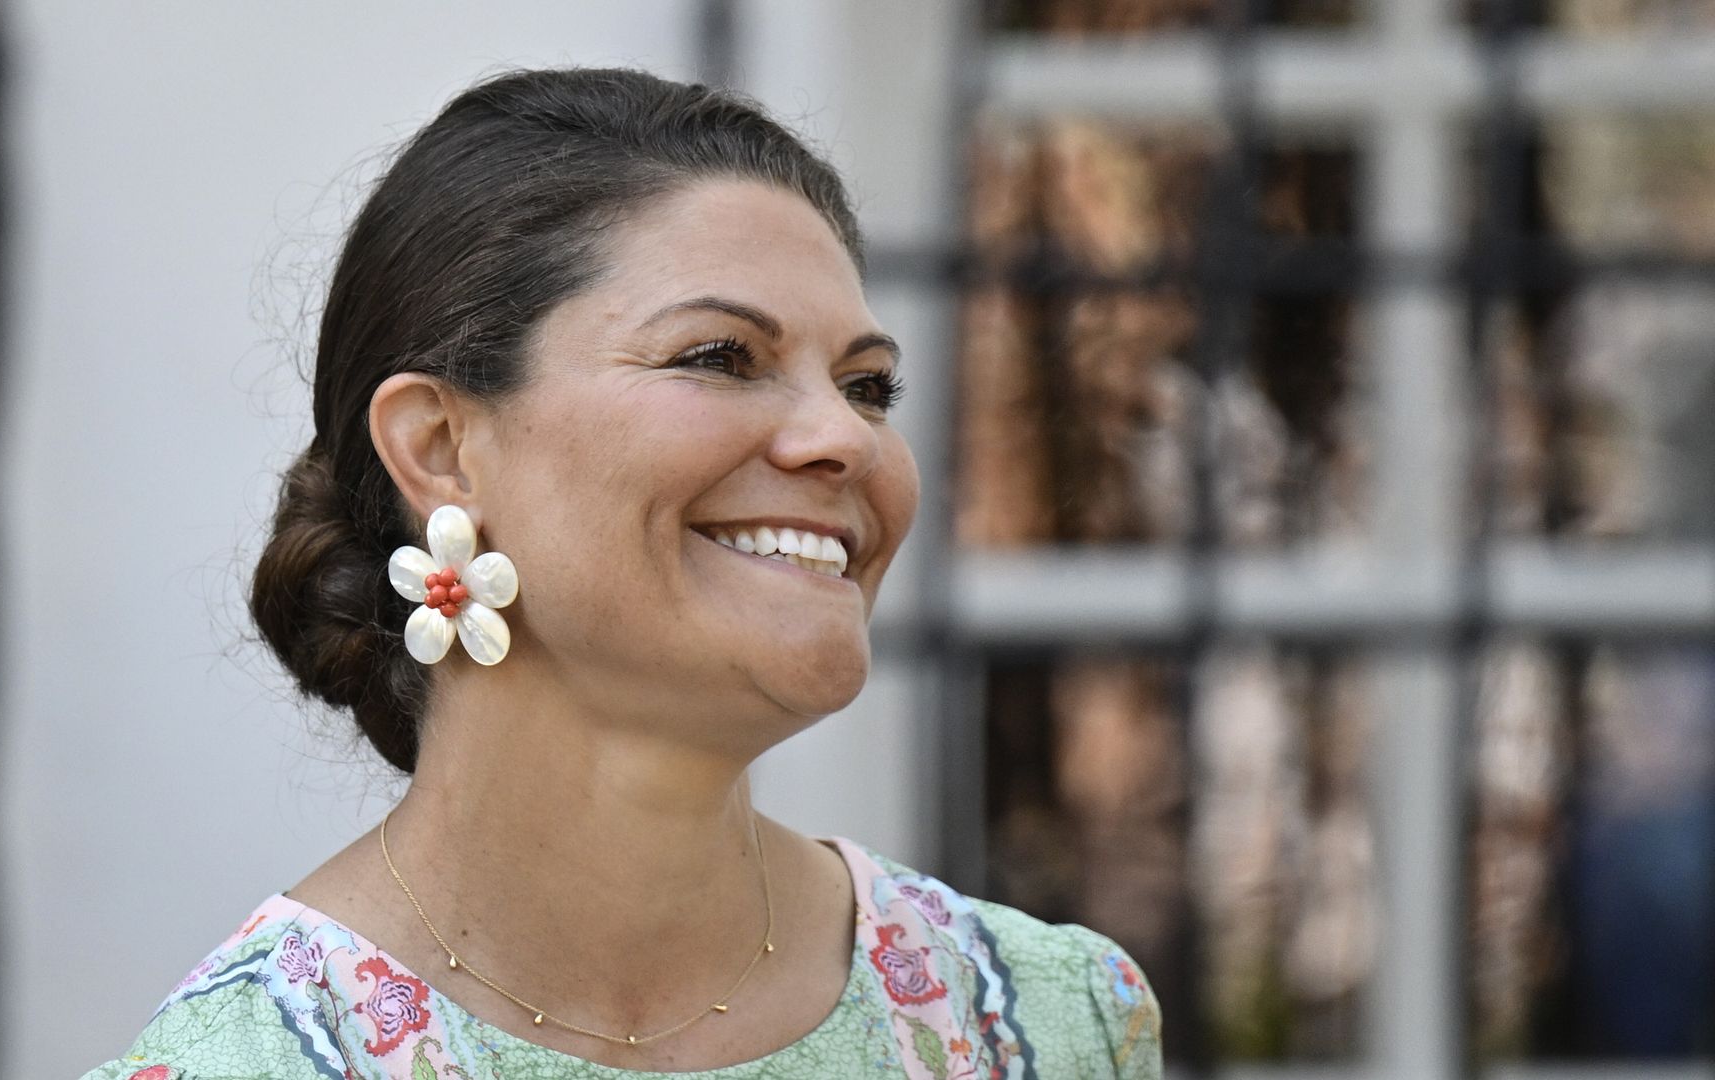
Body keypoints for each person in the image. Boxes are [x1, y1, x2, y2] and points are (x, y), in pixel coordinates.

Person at [80, 66, 1161, 1080]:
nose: (845, 439)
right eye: (719, 357)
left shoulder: (1045, 1029)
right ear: (443, 449)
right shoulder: (253, 1062)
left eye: (870, 386)